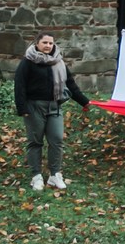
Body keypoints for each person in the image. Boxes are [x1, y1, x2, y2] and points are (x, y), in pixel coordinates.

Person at [13, 33, 90, 190]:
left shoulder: (59, 62)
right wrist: (22, 108)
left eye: (50, 43)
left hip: (54, 107)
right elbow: (19, 85)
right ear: (37, 44)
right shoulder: (28, 62)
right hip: (34, 106)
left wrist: (84, 101)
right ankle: (36, 176)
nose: (48, 46)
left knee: (56, 140)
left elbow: (70, 84)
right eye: (44, 43)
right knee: (35, 142)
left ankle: (54, 175)